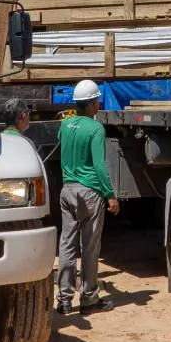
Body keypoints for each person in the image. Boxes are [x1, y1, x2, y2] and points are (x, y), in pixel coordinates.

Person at [56, 79, 119, 314]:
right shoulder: (95, 129)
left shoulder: (65, 125)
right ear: (92, 104)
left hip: (67, 191)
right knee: (90, 247)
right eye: (97, 101)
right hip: (89, 192)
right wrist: (110, 194)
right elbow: (100, 166)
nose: (98, 105)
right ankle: (89, 298)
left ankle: (64, 299)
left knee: (67, 245)